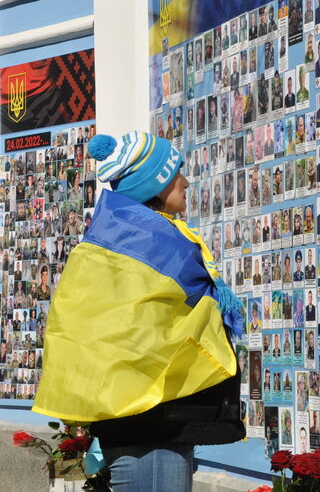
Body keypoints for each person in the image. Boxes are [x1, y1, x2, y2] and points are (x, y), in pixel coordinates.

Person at [34, 132, 246, 491]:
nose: (186, 181)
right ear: (156, 183)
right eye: (177, 171)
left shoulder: (118, 239)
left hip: (154, 421)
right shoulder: (153, 243)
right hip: (151, 426)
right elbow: (135, 337)